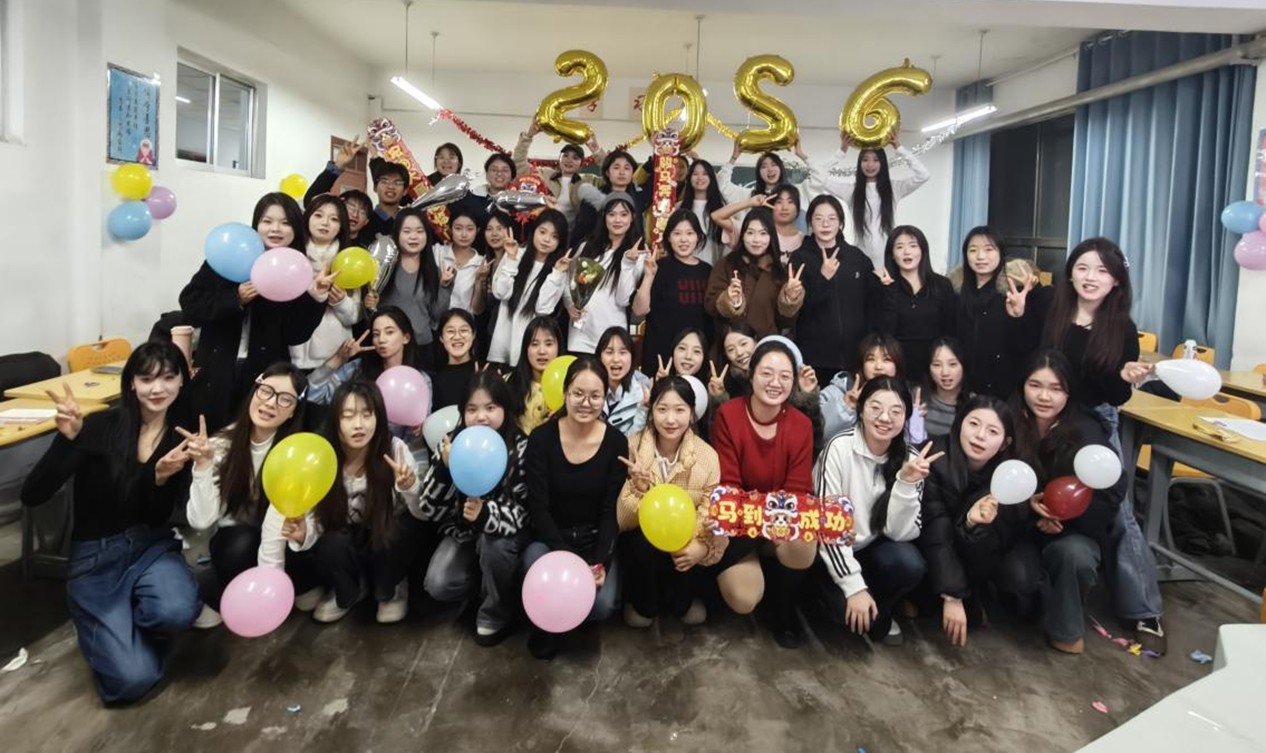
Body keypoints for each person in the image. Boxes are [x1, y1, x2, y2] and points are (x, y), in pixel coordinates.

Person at [1007, 241, 1165, 653]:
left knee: (1118, 512)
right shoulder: (1048, 306)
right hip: (1043, 414)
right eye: (1082, 267)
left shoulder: (1121, 328)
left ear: (1116, 281)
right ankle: (1040, 580)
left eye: (1101, 271)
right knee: (1032, 487)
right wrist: (1019, 317)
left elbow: (1116, 395)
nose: (1090, 277)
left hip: (1093, 422)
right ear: (1071, 272)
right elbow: (1028, 358)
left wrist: (1123, 378)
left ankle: (1143, 609)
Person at [23, 342, 200, 704]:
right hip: (96, 558)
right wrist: (68, 441)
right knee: (132, 681)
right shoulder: (101, 425)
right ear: (131, 382)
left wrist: (160, 479)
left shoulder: (180, 438)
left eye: (168, 377)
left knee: (178, 610)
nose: (157, 388)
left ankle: (128, 623)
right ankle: (114, 631)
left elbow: (156, 515)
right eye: (146, 378)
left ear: (183, 380)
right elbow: (33, 494)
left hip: (151, 547)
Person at [270, 380, 424, 624]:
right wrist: (303, 534)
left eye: (367, 414)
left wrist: (410, 486)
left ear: (378, 417)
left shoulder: (394, 449)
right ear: (335, 420)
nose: (358, 424)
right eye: (348, 416)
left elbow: (421, 514)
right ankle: (350, 590)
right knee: (329, 544)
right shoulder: (321, 458)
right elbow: (316, 520)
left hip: (384, 533)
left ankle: (391, 588)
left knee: (395, 532)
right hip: (345, 536)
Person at [179, 192, 333, 432]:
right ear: (256, 225)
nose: (275, 229)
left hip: (265, 377)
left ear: (295, 229)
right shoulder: (227, 256)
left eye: (285, 223)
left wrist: (316, 296)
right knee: (211, 436)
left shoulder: (293, 269)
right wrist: (235, 298)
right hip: (217, 371)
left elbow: (296, 335)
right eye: (267, 221)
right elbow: (190, 305)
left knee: (255, 439)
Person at [1008, 350, 1126, 654]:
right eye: (1035, 385)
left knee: (1074, 555)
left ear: (1069, 392)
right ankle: (1032, 599)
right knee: (1018, 578)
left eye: (1056, 388)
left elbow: (1111, 491)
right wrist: (1029, 508)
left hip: (1074, 530)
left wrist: (1064, 518)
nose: (1044, 397)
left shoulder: (1087, 429)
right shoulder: (1008, 420)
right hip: (1021, 526)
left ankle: (1066, 628)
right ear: (1022, 386)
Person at [184, 363, 314, 628]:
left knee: (301, 551)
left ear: (293, 411)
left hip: (282, 541)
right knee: (237, 544)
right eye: (266, 391)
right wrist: (203, 466)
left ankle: (292, 585)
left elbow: (285, 521)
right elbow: (201, 520)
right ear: (255, 391)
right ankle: (239, 592)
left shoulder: (296, 452)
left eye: (285, 399)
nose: (270, 403)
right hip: (239, 541)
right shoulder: (222, 445)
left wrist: (271, 583)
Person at [710, 340, 818, 647]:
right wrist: (758, 519)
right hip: (738, 528)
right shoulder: (729, 414)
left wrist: (770, 519)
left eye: (785, 376)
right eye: (767, 373)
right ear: (751, 374)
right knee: (743, 599)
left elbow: (797, 492)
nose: (775, 383)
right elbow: (729, 487)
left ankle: (785, 607)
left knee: (804, 540)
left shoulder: (801, 425)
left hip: (778, 523)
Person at [816, 377, 938, 646]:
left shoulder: (911, 459)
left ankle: (879, 609)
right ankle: (844, 600)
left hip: (873, 548)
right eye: (875, 408)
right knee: (842, 618)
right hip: (833, 551)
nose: (885, 418)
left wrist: (905, 482)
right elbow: (827, 527)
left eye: (896, 411)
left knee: (910, 563)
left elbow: (900, 533)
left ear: (906, 417)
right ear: (861, 410)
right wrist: (853, 587)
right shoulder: (838, 448)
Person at [523, 357, 628, 659]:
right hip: (550, 539)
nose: (586, 402)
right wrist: (566, 557)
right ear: (565, 393)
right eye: (578, 393)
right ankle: (549, 621)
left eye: (595, 396)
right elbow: (538, 508)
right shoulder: (541, 439)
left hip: (594, 538)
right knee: (532, 563)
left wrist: (599, 562)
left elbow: (610, 511)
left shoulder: (616, 443)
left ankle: (568, 614)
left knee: (601, 606)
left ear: (605, 397)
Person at [415, 371, 529, 646]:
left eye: (491, 408)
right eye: (472, 409)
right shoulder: (452, 444)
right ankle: (487, 586)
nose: (481, 417)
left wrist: (486, 514)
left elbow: (524, 513)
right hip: (463, 535)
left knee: (494, 548)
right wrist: (444, 469)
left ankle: (496, 612)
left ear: (505, 408)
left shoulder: (520, 447)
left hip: (502, 538)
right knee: (438, 584)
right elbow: (428, 508)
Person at [917, 394, 1022, 646]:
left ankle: (970, 593)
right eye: (973, 424)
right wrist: (953, 596)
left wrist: (972, 525)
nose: (980, 436)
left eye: (992, 431)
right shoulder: (934, 457)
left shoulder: (1008, 476)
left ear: (1005, 443)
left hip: (970, 558)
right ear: (959, 424)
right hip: (927, 545)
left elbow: (996, 547)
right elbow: (935, 529)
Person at [618, 377, 723, 627]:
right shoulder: (632, 448)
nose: (670, 419)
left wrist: (702, 546)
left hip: (684, 542)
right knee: (640, 545)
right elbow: (622, 521)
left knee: (685, 602)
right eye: (662, 409)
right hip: (643, 543)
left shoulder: (707, 456)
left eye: (680, 410)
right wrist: (639, 488)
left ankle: (682, 603)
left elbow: (711, 512)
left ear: (692, 413)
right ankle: (644, 605)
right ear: (651, 410)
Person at [788, 195, 890, 384]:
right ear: (810, 223)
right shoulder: (800, 258)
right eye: (818, 218)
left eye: (832, 218)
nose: (825, 224)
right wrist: (823, 278)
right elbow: (797, 309)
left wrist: (885, 288)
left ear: (841, 223)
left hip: (854, 358)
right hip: (815, 359)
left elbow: (871, 306)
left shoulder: (857, 258)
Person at [799, 133, 930, 269]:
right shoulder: (851, 191)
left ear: (882, 163)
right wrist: (841, 153)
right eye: (865, 159)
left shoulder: (894, 188)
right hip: (860, 261)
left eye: (876, 160)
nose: (870, 164)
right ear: (859, 163)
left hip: (888, 261)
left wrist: (899, 148)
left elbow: (924, 175)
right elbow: (819, 177)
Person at [367, 207, 456, 368]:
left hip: (422, 346)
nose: (413, 237)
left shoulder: (434, 271)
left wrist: (444, 286)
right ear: (397, 234)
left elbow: (437, 315)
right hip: (388, 347)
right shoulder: (383, 265)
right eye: (407, 231)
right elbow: (370, 309)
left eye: (420, 231)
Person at [564, 192, 646, 353]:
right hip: (579, 335)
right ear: (604, 217)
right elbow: (568, 284)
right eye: (612, 214)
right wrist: (569, 304)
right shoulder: (586, 247)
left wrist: (628, 263)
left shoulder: (637, 255)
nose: (617, 220)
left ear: (633, 217)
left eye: (624, 214)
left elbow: (623, 299)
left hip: (612, 337)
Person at [633, 209, 712, 375]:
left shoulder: (708, 271)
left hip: (695, 359)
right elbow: (639, 310)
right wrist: (649, 277)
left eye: (690, 233)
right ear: (668, 237)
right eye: (677, 233)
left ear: (698, 237)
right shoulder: (658, 268)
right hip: (661, 357)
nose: (683, 239)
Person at [704, 207, 802, 338]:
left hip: (766, 345)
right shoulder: (726, 264)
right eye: (750, 233)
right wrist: (729, 300)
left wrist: (789, 300)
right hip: (732, 344)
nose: (756, 240)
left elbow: (786, 322)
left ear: (771, 237)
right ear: (743, 236)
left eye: (763, 233)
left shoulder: (779, 271)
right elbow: (710, 305)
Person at [488, 210, 568, 366]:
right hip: (503, 342)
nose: (547, 239)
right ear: (534, 231)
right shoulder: (516, 253)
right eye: (542, 232)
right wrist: (511, 259)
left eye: (554, 236)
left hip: (531, 347)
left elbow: (543, 309)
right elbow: (500, 293)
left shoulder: (559, 270)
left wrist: (557, 273)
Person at [290, 195, 361, 372]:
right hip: (291, 353)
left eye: (334, 219)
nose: (325, 223)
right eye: (318, 215)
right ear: (307, 218)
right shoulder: (292, 257)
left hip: (335, 356)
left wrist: (341, 302)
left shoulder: (349, 261)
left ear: (341, 226)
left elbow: (354, 317)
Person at [953, 226, 1024, 399]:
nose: (980, 256)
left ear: (1001, 253)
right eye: (973, 250)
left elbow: (1024, 347)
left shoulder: (1013, 293)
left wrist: (1017, 317)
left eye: (988, 249)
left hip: (1003, 392)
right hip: (964, 391)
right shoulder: (956, 293)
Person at [878, 225, 956, 381]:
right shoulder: (882, 287)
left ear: (922, 250)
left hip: (934, 367)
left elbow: (950, 331)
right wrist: (889, 291)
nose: (906, 252)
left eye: (913, 246)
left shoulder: (942, 285)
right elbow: (884, 333)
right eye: (899, 247)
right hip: (897, 367)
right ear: (892, 254)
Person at [513, 119, 606, 226]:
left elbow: (612, 176)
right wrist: (528, 136)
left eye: (575, 158)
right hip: (547, 231)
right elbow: (519, 164)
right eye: (565, 155)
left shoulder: (589, 181)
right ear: (559, 159)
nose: (569, 160)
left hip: (577, 234)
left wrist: (596, 151)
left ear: (581, 164)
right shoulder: (545, 174)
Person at [509, 316, 564, 435]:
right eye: (534, 344)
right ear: (526, 348)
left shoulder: (571, 386)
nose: (542, 351)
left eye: (548, 344)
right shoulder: (508, 382)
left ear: (558, 347)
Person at [596, 326, 651, 437]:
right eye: (609, 352)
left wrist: (643, 409)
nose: (616, 359)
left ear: (632, 356)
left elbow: (635, 440)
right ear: (599, 357)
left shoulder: (642, 393)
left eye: (623, 352)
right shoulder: (590, 389)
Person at [435, 208, 491, 316]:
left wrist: (479, 281)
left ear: (477, 231)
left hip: (464, 322)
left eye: (470, 229)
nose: (464, 234)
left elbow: (477, 310)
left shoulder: (481, 263)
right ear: (450, 229)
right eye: (458, 228)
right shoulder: (437, 252)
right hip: (435, 320)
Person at [676, 160, 729, 265]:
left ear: (711, 178)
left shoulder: (721, 208)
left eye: (704, 174)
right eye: (695, 174)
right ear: (689, 178)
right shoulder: (678, 207)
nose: (700, 177)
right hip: (684, 266)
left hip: (713, 266)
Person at [924, 337, 968, 440]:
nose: (945, 372)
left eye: (952, 364)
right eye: (937, 365)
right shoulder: (917, 399)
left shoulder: (974, 405)